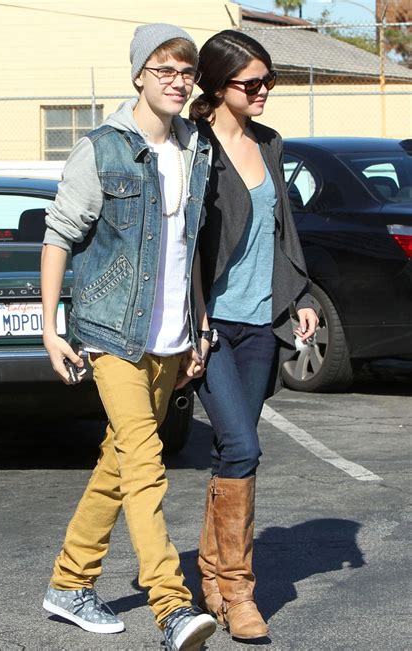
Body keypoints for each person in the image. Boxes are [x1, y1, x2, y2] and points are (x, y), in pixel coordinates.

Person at [40, 23, 216, 650]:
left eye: (186, 72)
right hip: (113, 333)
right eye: (165, 70)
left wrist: (198, 326)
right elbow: (58, 236)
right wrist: (50, 328)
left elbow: (190, 247)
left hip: (170, 336)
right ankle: (171, 607)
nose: (178, 82)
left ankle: (69, 583)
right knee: (145, 465)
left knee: (118, 462)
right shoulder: (101, 149)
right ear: (140, 75)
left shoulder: (195, 148)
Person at [189, 30, 319, 641]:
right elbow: (182, 241)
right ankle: (239, 592)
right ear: (219, 86)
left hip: (262, 320)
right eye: (252, 83)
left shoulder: (269, 143)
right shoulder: (194, 147)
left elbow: (281, 228)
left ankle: (213, 579)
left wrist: (301, 297)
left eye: (270, 81)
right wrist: (191, 319)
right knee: (243, 446)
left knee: (231, 451)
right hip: (210, 323)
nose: (264, 91)